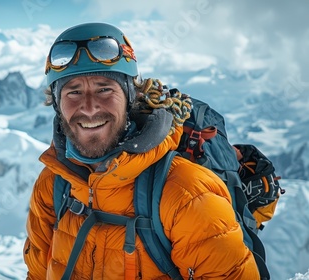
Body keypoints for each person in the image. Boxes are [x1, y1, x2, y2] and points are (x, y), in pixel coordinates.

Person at [23, 22, 260, 279]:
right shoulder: (53, 184)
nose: (89, 107)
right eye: (74, 92)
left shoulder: (186, 194)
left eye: (105, 89)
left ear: (129, 96)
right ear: (57, 105)